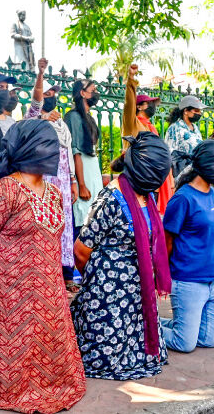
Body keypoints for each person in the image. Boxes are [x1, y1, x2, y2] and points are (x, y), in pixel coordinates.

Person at [0, 119, 86, 414]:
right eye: (46, 146)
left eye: (55, 147)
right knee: (16, 348)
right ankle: (10, 390)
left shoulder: (54, 193)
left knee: (48, 343)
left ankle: (53, 386)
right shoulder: (3, 192)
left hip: (50, 288)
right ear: (27, 148)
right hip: (11, 291)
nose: (53, 153)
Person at [71, 132, 172, 378]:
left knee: (147, 358)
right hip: (109, 296)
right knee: (106, 360)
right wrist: (103, 280)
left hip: (139, 290)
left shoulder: (147, 196)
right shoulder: (110, 200)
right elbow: (80, 251)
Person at [160, 140, 214, 352]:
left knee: (209, 340)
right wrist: (164, 275)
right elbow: (166, 241)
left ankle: (163, 325)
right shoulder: (183, 198)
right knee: (185, 344)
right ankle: (140, 328)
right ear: (210, 166)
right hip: (189, 280)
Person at [40, 81, 78, 290]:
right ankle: (49, 273)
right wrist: (42, 119)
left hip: (63, 180)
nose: (51, 96)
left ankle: (66, 275)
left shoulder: (61, 123)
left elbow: (68, 151)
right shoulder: (33, 120)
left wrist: (72, 181)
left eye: (53, 93)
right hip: (44, 178)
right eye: (47, 93)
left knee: (65, 225)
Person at [122, 63, 174, 214]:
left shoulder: (152, 127)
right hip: (138, 179)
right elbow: (129, 104)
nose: (153, 106)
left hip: (155, 182)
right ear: (139, 106)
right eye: (149, 103)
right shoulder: (132, 123)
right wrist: (131, 79)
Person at [66, 79, 103, 238]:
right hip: (84, 176)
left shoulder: (89, 117)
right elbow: (76, 152)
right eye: (92, 90)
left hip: (93, 173)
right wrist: (81, 184)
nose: (95, 93)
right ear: (82, 93)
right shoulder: (73, 116)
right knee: (83, 224)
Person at [165, 95, 206, 177]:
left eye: (200, 111)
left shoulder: (196, 129)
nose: (199, 113)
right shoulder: (175, 128)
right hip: (181, 176)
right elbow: (169, 154)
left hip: (196, 174)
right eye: (196, 110)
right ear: (186, 111)